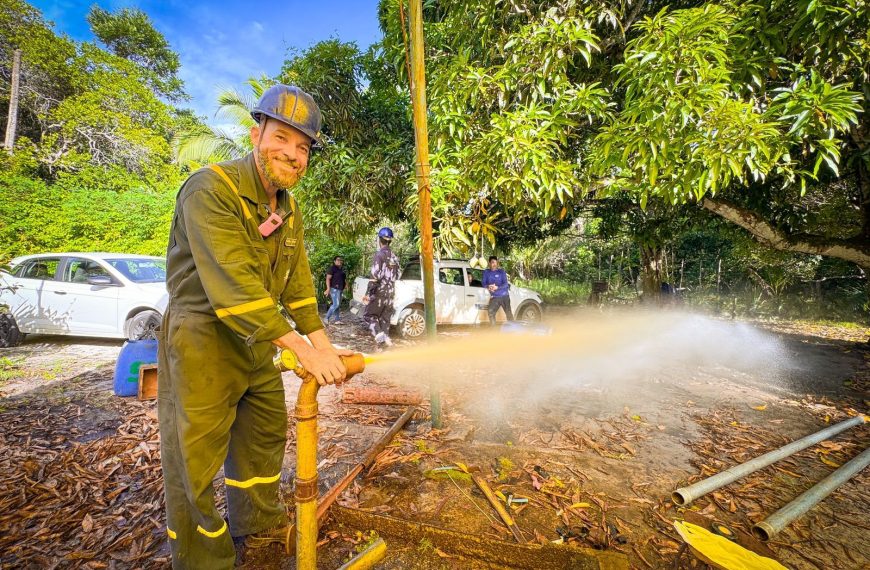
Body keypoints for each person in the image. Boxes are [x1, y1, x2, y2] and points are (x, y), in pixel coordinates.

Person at [157, 84, 353, 570]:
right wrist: (303, 352)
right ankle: (204, 559)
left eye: (304, 146)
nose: (293, 153)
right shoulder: (210, 189)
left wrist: (325, 347)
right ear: (255, 133)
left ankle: (258, 529)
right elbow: (235, 287)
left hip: (257, 339)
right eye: (282, 137)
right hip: (203, 336)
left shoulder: (287, 207)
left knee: (264, 431)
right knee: (195, 458)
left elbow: (300, 286)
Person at [363, 227, 400, 350]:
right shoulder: (394, 257)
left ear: (380, 239)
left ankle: (381, 340)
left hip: (379, 292)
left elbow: (375, 277)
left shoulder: (379, 255)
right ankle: (384, 348)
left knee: (369, 316)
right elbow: (398, 275)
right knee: (385, 320)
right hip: (390, 293)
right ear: (390, 241)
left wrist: (368, 293)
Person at [482, 256, 513, 325]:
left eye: (496, 263)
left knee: (509, 314)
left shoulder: (501, 272)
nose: (494, 264)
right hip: (495, 297)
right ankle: (494, 331)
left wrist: (497, 287)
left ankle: (513, 329)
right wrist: (488, 287)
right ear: (489, 263)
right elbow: (483, 283)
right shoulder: (486, 272)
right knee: (490, 312)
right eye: (493, 262)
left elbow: (506, 284)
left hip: (504, 296)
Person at [324, 256, 346, 324]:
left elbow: (343, 279)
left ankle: (337, 320)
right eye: (338, 260)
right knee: (336, 304)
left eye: (341, 260)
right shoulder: (332, 268)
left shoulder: (341, 269)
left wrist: (345, 285)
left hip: (340, 289)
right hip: (334, 289)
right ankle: (326, 318)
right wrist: (328, 289)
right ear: (334, 261)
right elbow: (328, 279)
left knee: (337, 305)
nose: (339, 261)